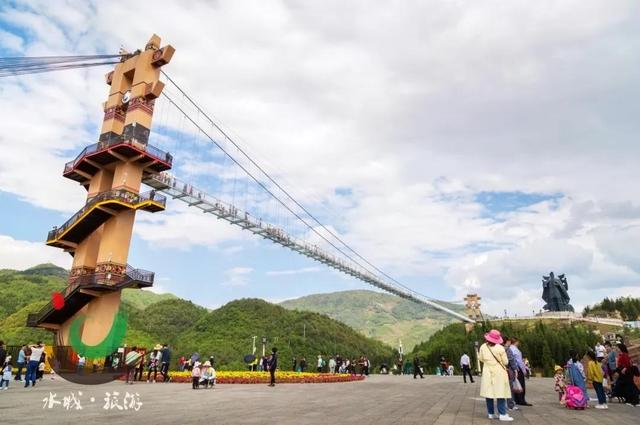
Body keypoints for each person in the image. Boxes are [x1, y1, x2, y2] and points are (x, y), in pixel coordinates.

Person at [478, 329, 514, 421]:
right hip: (499, 372)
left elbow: (480, 358)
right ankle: (502, 414)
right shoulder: (500, 348)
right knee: (500, 393)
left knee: (489, 393)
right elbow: (505, 362)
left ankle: (491, 413)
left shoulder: (483, 346)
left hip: (487, 371)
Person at [509, 338, 532, 406]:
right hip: (518, 369)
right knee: (521, 384)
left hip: (511, 368)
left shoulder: (509, 348)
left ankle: (515, 399)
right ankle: (521, 400)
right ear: (516, 342)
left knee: (514, 384)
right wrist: (524, 370)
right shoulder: (516, 350)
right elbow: (519, 362)